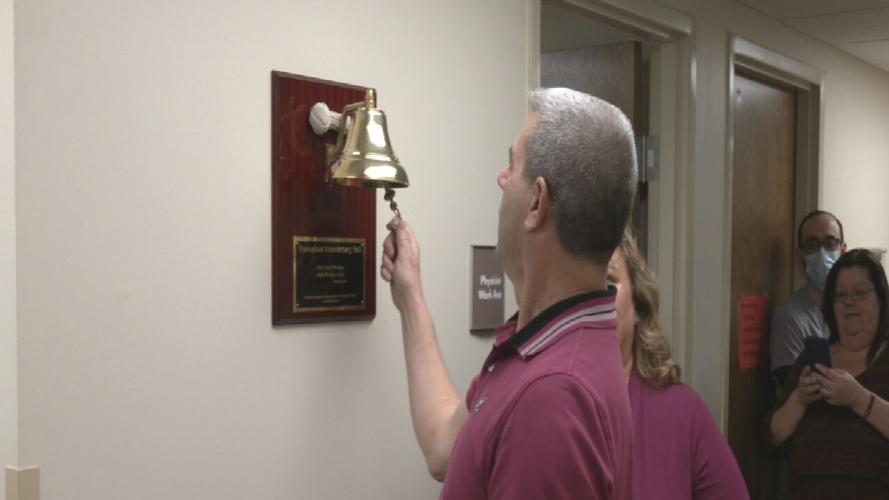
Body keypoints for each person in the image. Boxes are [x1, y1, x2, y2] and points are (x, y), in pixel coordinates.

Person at [380, 88, 637, 499]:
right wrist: (411, 299)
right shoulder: (549, 346)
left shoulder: (553, 396)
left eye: (512, 163)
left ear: (537, 202)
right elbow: (445, 448)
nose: (501, 178)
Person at [608, 231, 749, 500]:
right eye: (580, 290)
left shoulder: (681, 412)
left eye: (608, 281)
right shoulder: (544, 405)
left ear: (638, 306)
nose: (592, 300)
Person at [768, 248, 889, 498]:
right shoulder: (809, 360)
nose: (849, 302)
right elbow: (774, 436)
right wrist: (799, 400)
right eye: (840, 295)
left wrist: (858, 399)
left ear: (881, 299)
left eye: (859, 293)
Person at [770, 210, 847, 385]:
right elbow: (791, 389)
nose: (822, 254)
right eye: (812, 246)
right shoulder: (789, 317)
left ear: (843, 251)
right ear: (800, 256)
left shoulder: (854, 310)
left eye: (830, 243)